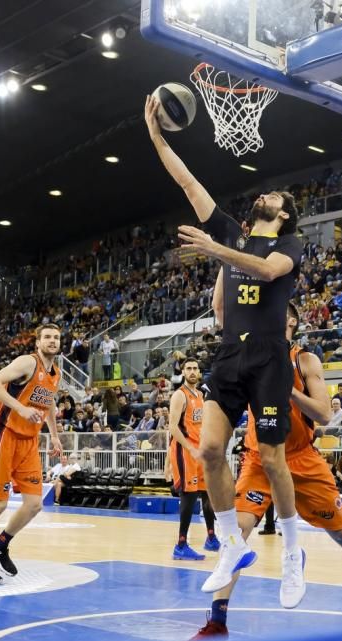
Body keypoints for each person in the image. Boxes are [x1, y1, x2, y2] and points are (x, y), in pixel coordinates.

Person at [146, 96, 304, 602]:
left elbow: (267, 271)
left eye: (278, 197)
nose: (269, 196)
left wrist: (215, 251)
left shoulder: (289, 246)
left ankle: (294, 551)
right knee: (211, 449)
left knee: (275, 459)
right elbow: (188, 182)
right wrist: (156, 136)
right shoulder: (234, 230)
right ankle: (233, 543)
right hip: (230, 354)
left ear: (283, 218)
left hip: (270, 354)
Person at [189, 305, 342, 640]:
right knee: (237, 535)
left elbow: (323, 413)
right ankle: (217, 621)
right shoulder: (249, 359)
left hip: (302, 459)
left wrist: (287, 389)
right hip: (258, 459)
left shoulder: (305, 360)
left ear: (290, 320)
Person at [0, 323, 62, 583]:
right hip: (5, 434)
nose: (52, 341)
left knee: (34, 505)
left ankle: (0, 545)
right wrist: (20, 409)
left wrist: (54, 435)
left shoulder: (56, 373)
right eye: (47, 337)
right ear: (38, 342)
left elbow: (49, 401)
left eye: (56, 337)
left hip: (29, 441)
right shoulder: (27, 363)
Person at [167, 357, 219, 561]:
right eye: (188, 368)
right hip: (184, 450)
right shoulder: (180, 395)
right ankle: (181, 545)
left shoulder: (201, 395)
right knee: (188, 496)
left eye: (195, 368)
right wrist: (187, 449)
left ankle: (211, 537)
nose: (192, 372)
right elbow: (172, 427)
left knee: (207, 493)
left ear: (199, 372)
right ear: (182, 371)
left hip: (199, 451)